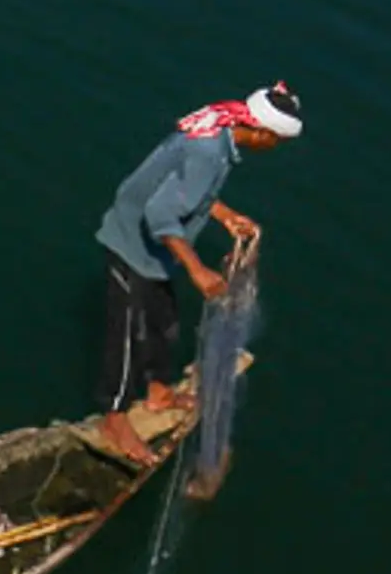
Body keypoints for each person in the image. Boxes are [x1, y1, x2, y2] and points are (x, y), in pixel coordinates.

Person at [93, 81, 303, 464]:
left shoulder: (219, 130)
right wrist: (198, 270)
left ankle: (157, 391)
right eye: (276, 141)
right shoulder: (209, 151)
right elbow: (160, 214)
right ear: (260, 131)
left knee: (163, 322)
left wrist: (222, 215)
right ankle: (115, 419)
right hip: (132, 244)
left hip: (155, 252)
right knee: (126, 338)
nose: (274, 149)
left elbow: (184, 186)